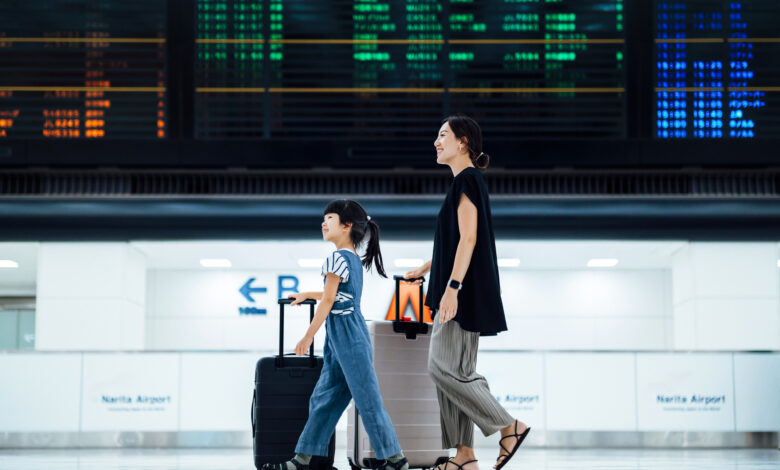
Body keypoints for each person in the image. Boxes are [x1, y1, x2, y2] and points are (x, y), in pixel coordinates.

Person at [404, 115, 530, 470]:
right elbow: (456, 240)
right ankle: (464, 456)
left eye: (442, 135)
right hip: (455, 289)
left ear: (463, 142)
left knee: (444, 369)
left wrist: (452, 288)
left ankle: (509, 426)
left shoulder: (468, 180)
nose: (436, 142)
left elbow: (470, 239)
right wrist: (427, 268)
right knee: (453, 370)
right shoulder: (463, 182)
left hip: (461, 294)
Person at [262, 200, 408, 470]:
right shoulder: (351, 258)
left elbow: (329, 301)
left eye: (329, 218)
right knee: (324, 398)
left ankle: (397, 460)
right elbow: (339, 296)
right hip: (344, 334)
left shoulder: (336, 258)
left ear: (347, 225)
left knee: (367, 398)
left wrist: (307, 337)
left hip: (346, 335)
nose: (323, 223)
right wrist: (308, 294)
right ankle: (302, 459)